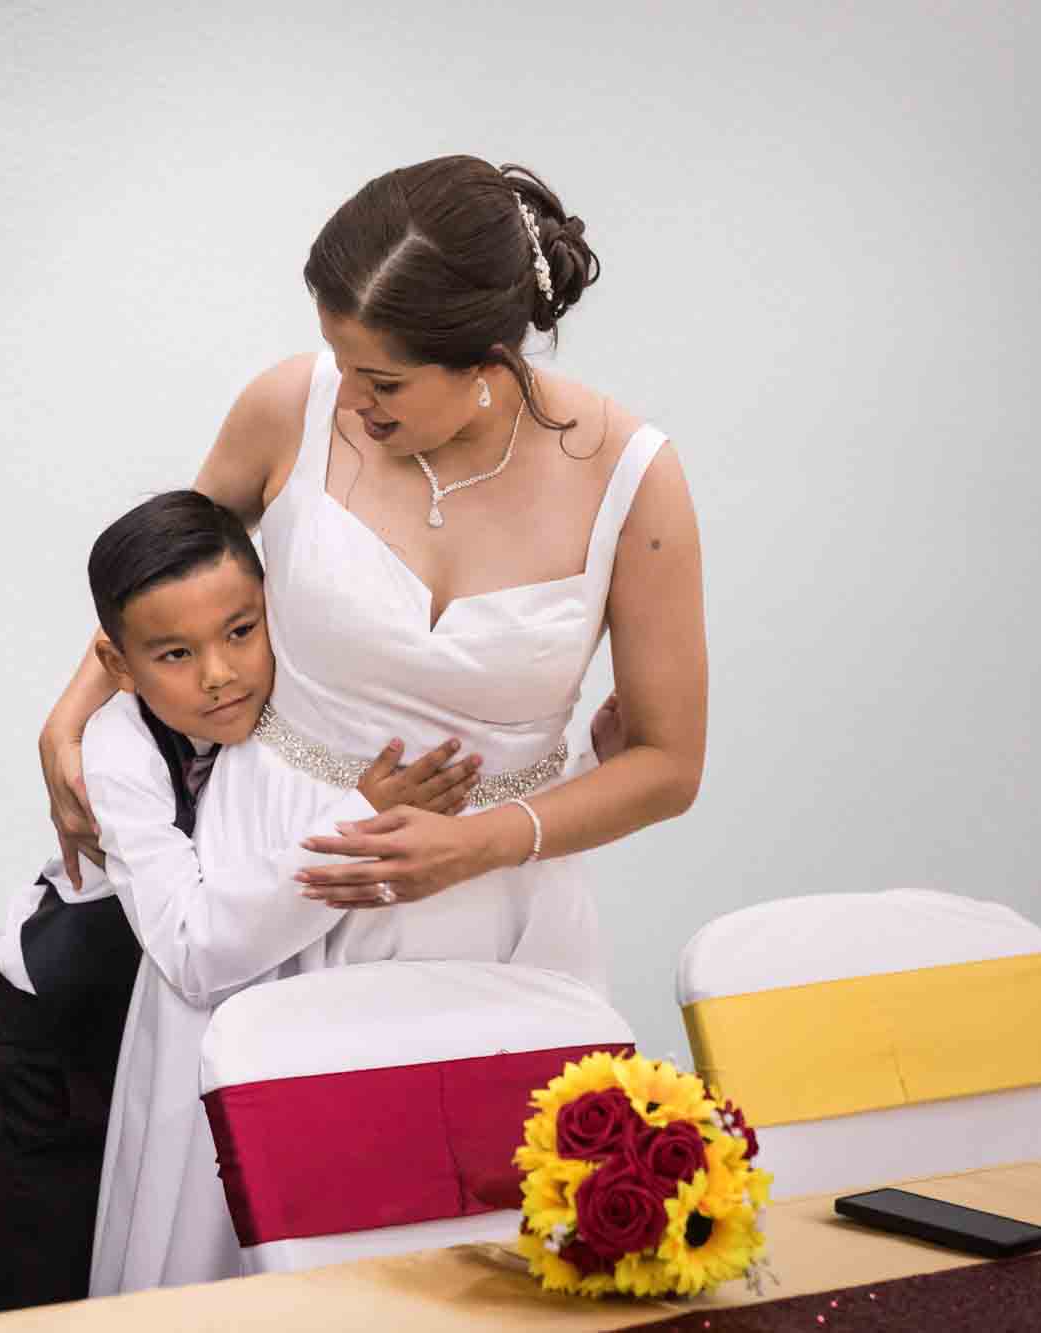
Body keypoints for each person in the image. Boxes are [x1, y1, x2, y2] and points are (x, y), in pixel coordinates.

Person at [36, 158, 708, 1292]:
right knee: (237, 1241)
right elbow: (169, 590)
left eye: (382, 379)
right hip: (277, 868)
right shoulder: (285, 407)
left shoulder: (633, 482)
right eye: (342, 362)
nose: (349, 400)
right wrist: (71, 710)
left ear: (488, 361)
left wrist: (483, 840)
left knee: (471, 1258)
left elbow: (667, 763)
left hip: (499, 909)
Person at [0, 490, 475, 1315]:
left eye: (240, 631)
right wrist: (359, 819)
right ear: (117, 666)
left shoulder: (307, 710)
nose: (220, 674)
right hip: (42, 1054)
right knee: (40, 1303)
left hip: (159, 1048)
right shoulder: (116, 749)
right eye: (175, 655)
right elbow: (192, 948)